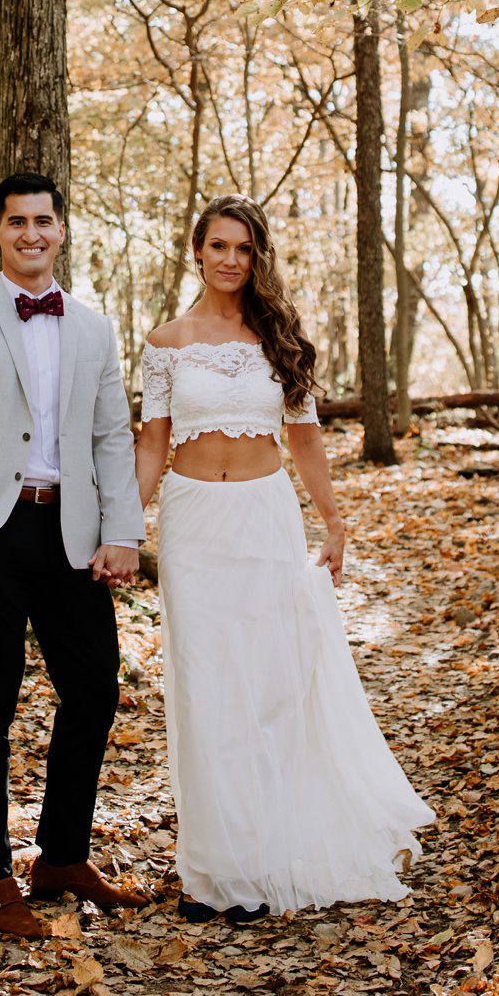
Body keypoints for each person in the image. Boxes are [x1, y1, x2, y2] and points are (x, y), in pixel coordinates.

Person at [136, 194, 434, 923]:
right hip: (193, 521)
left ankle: (264, 857)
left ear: (257, 256)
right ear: (196, 250)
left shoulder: (281, 339)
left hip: (266, 519)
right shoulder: (166, 341)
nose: (231, 259)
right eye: (218, 245)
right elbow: (151, 443)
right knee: (204, 689)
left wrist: (334, 521)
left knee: (266, 688)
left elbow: (304, 440)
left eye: (244, 247)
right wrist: (121, 525)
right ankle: (210, 872)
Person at [0, 171, 145, 941]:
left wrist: (123, 532)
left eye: (44, 221)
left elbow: (113, 436)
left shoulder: (93, 327)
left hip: (73, 533)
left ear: (62, 229)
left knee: (95, 690)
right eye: (17, 222)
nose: (32, 233)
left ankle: (62, 854)